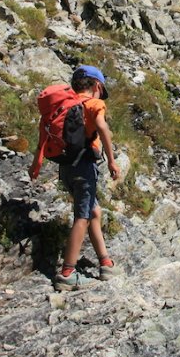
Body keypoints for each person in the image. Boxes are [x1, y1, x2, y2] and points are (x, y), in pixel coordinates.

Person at [29, 65, 121, 290]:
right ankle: (67, 273)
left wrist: (35, 166)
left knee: (93, 211)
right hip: (84, 167)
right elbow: (102, 127)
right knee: (84, 216)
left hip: (66, 168)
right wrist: (111, 160)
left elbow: (43, 137)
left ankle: (106, 264)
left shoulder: (62, 107)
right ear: (97, 86)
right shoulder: (93, 104)